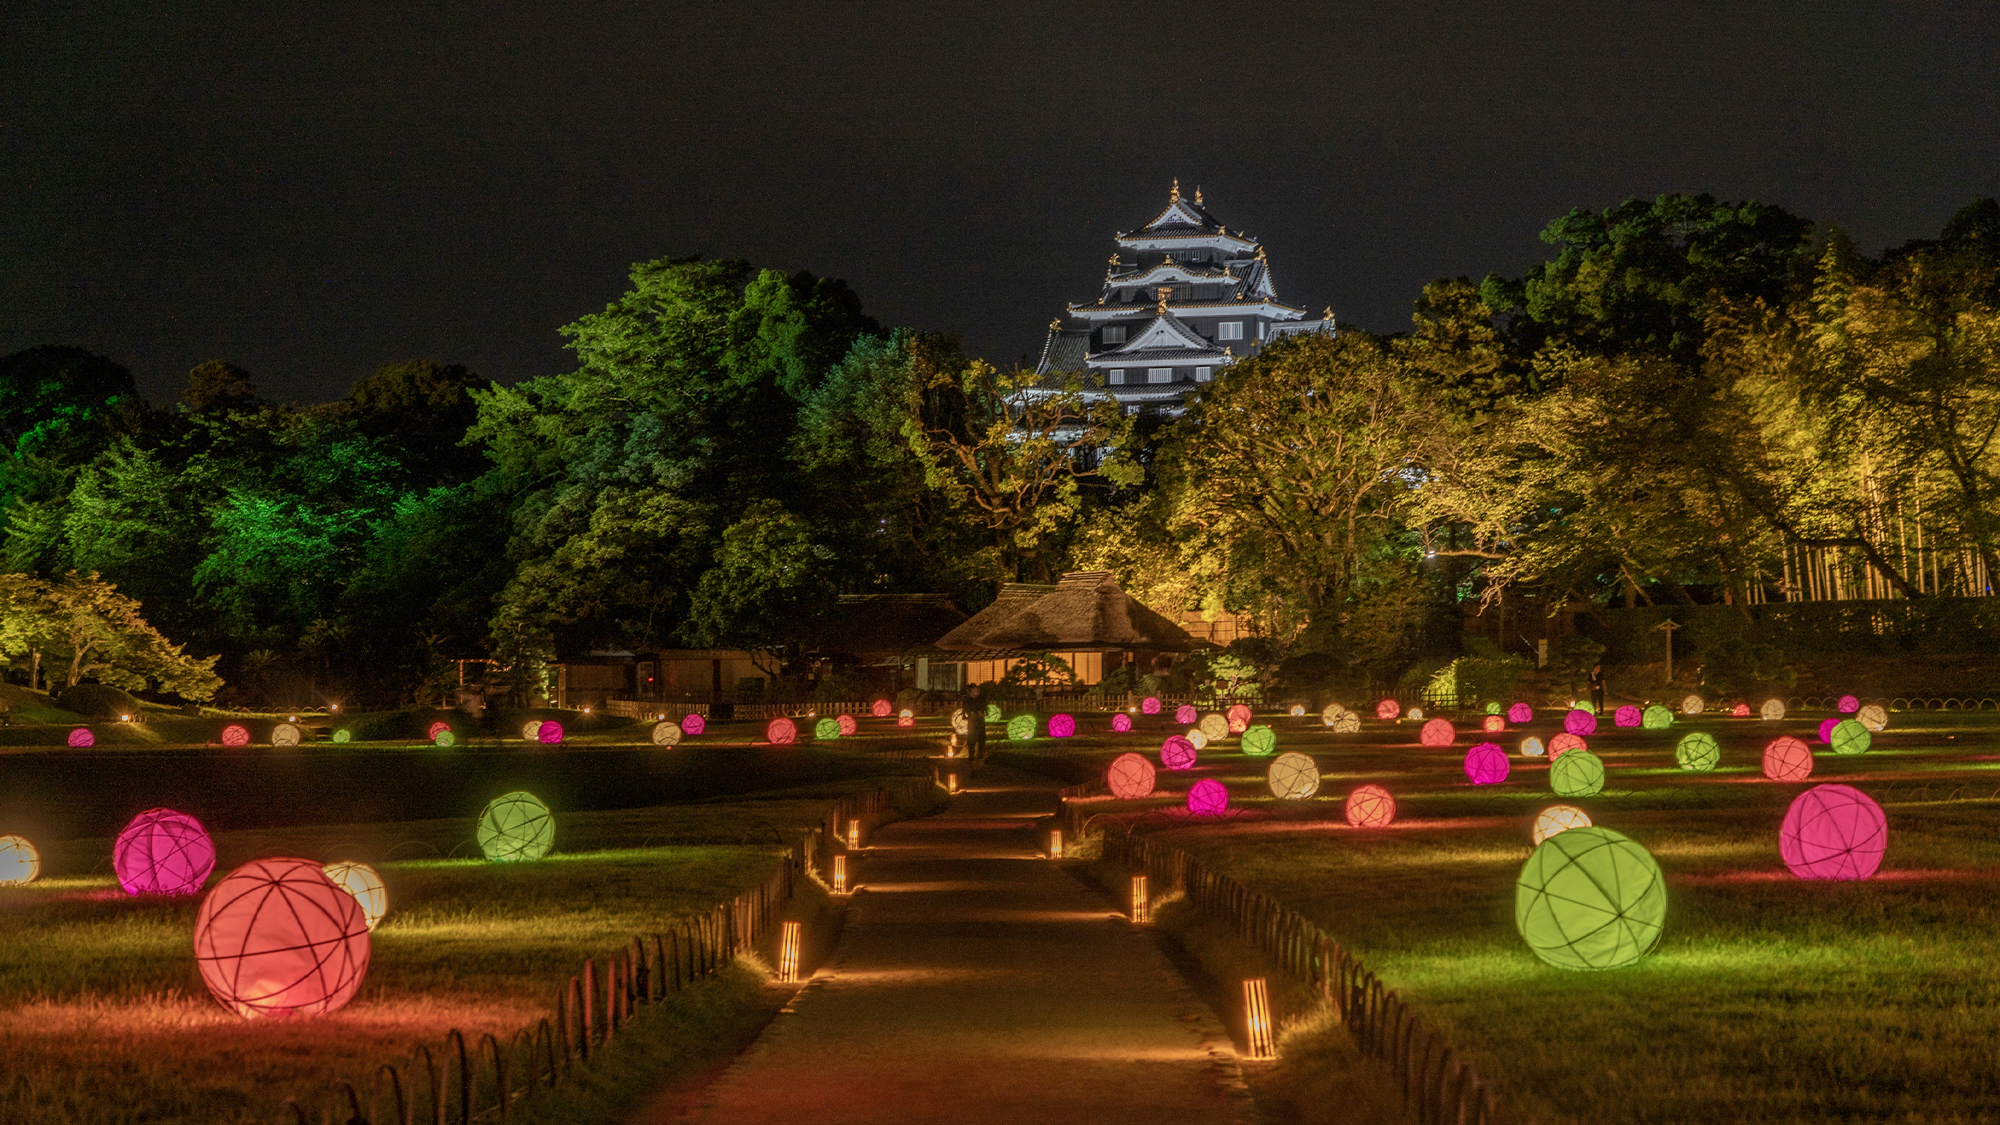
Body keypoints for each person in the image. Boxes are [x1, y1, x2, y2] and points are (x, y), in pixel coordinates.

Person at [960, 682, 987, 761]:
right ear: (970, 692)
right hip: (972, 720)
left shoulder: (981, 699)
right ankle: (971, 754)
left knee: (981, 737)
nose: (975, 693)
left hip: (980, 719)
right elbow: (966, 708)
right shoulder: (967, 700)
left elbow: (984, 708)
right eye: (973, 691)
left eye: (976, 691)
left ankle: (980, 753)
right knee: (971, 737)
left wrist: (981, 712)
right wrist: (970, 713)